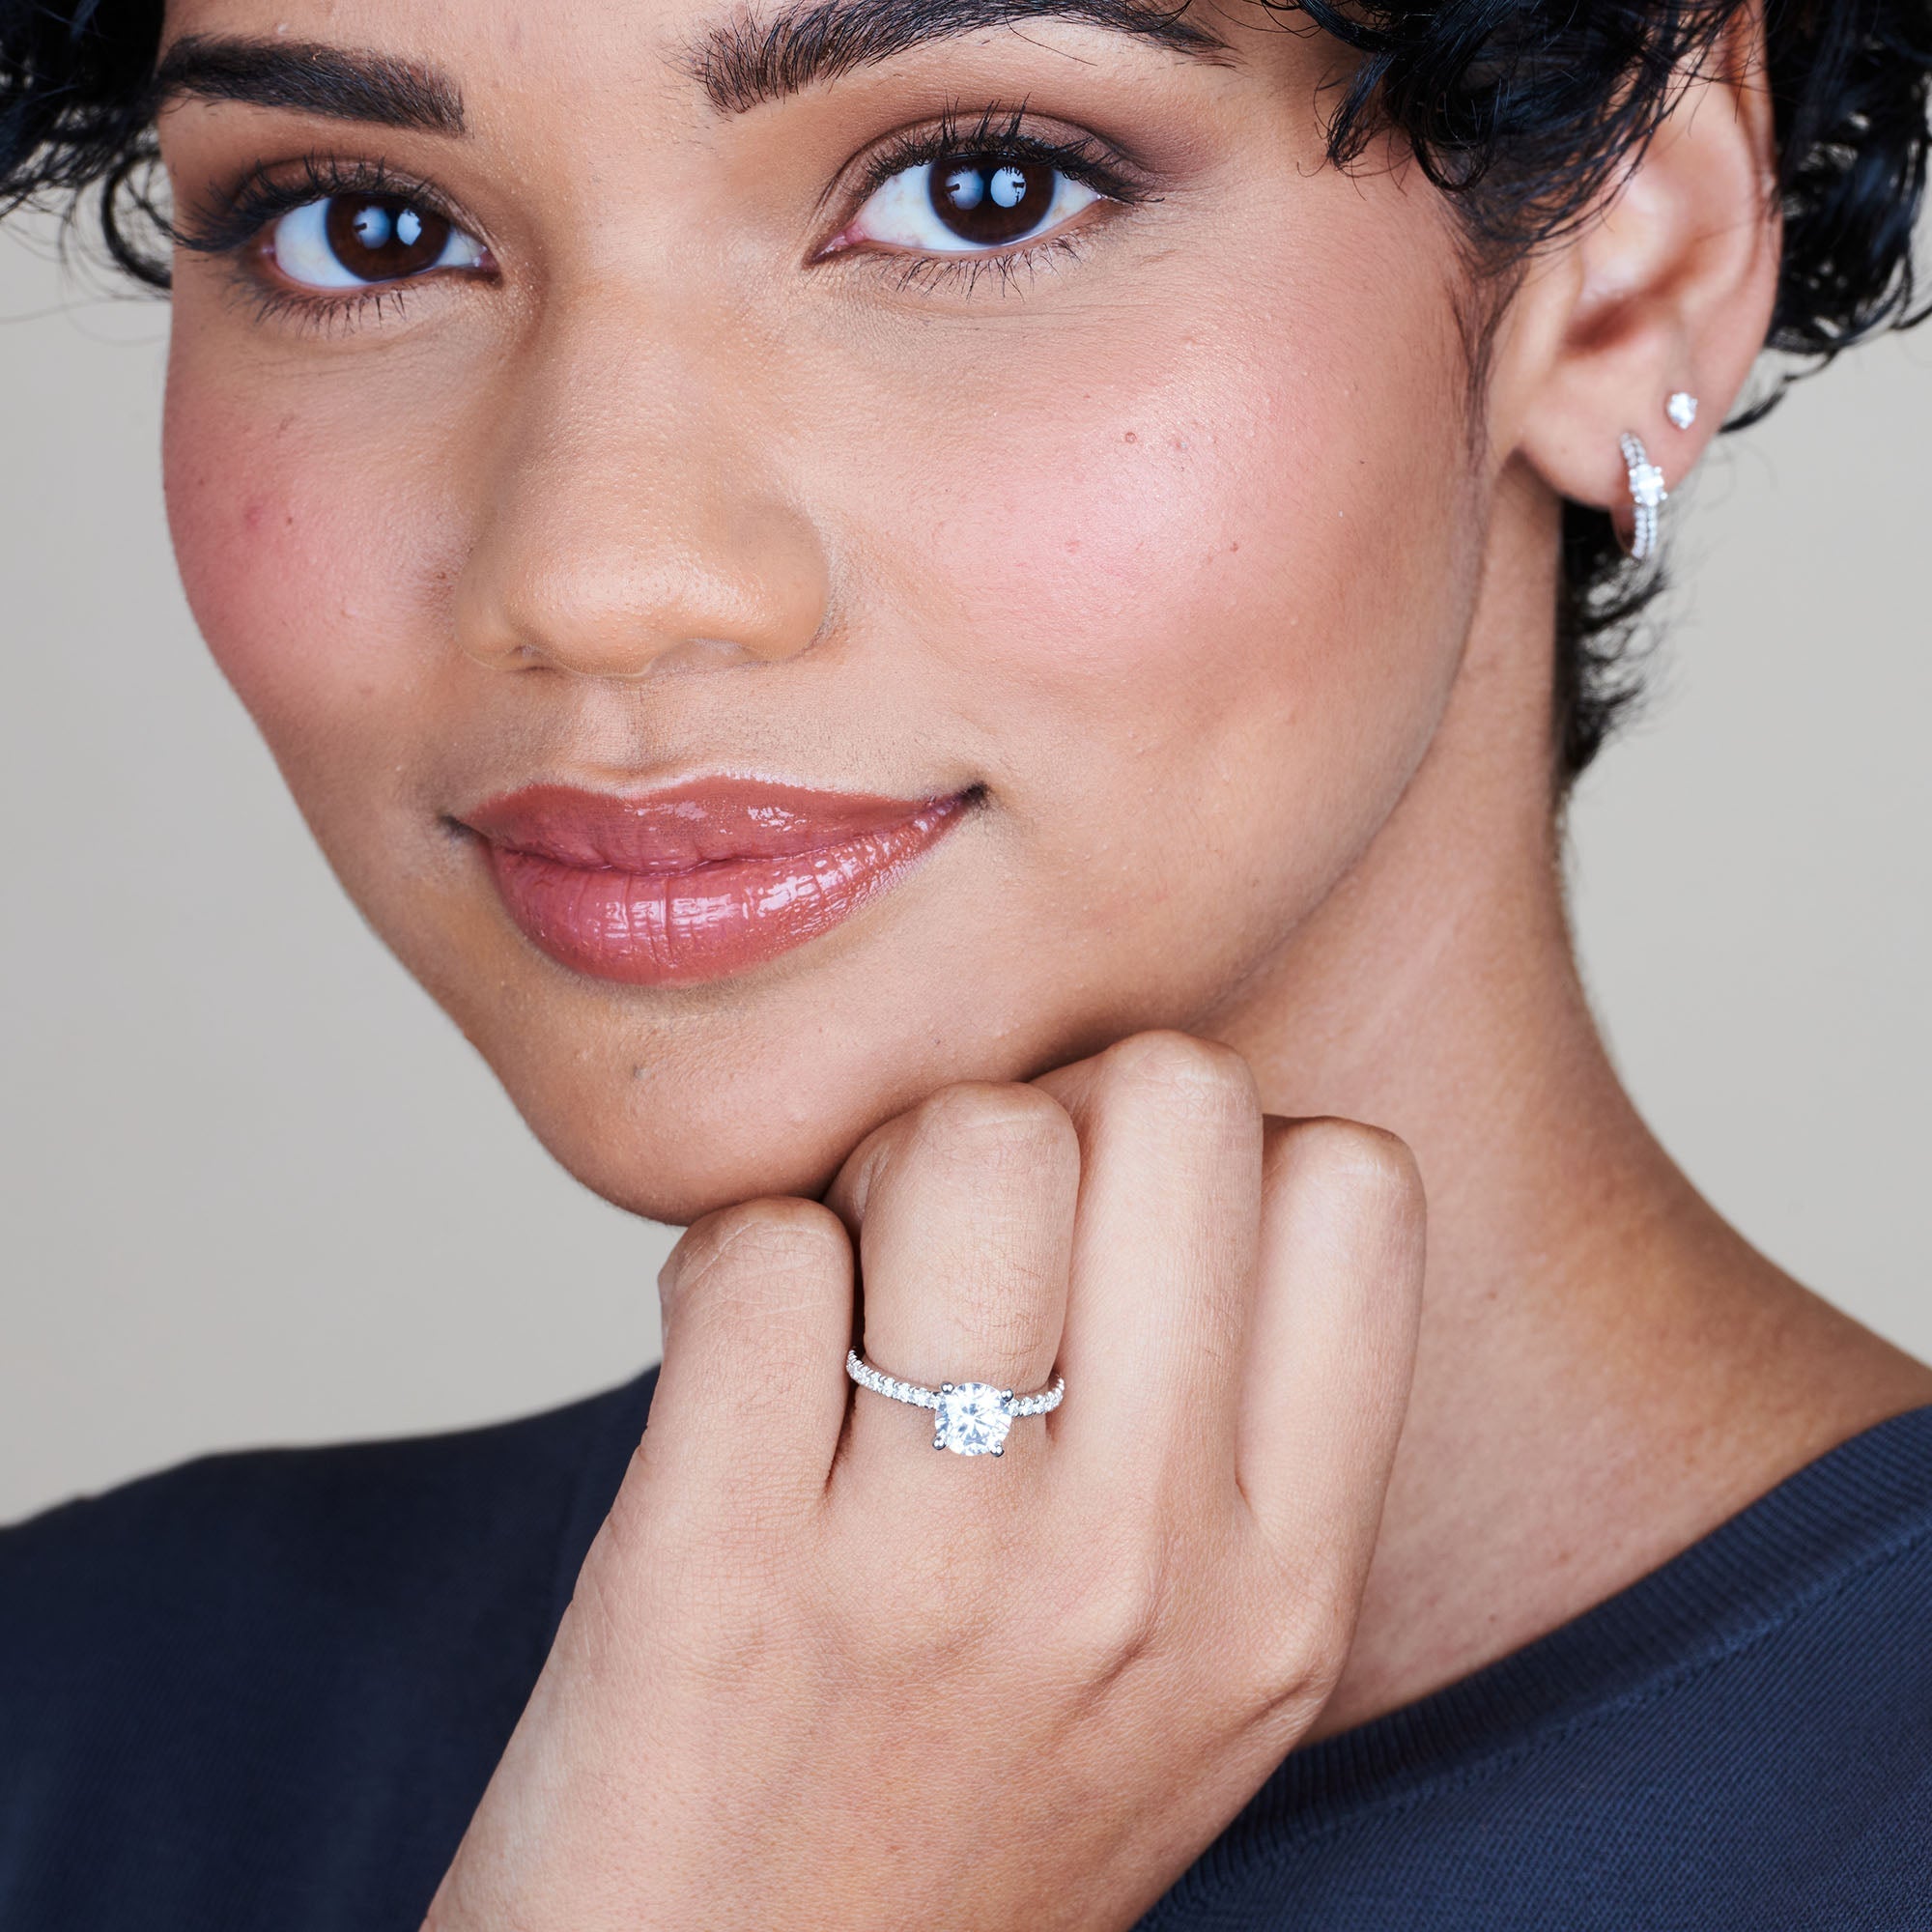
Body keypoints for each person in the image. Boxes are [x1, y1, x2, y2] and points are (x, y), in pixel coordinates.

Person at [3, 0, 1930, 1924]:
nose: (593, 579)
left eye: (978, 192)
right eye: (365, 229)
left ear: (1630, 261)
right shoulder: (74, 1731)